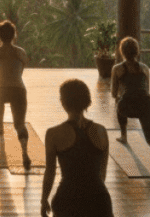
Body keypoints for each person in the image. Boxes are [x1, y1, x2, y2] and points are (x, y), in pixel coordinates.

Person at [42, 78, 111, 217]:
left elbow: (50, 172)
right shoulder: (102, 131)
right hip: (99, 200)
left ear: (63, 103)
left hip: (67, 199)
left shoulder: (53, 134)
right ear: (87, 101)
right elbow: (102, 174)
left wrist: (44, 200)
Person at [111, 37, 150, 176]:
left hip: (127, 106)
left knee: (118, 101)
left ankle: (124, 135)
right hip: (146, 104)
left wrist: (122, 92)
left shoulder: (117, 69)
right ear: (137, 52)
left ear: (121, 52)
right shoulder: (145, 68)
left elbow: (113, 93)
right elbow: (146, 89)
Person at [0, 20, 31, 168]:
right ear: (14, 36)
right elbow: (20, 72)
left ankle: (0, 125)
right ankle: (25, 152)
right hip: (19, 90)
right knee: (19, 124)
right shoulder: (21, 52)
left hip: (1, 90)